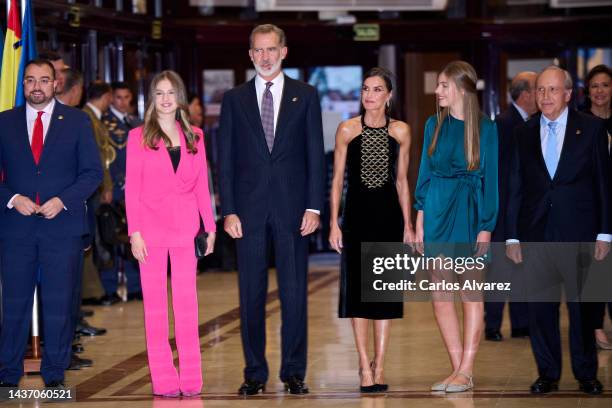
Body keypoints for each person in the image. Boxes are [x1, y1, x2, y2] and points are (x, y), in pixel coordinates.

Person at [218, 24, 325, 395]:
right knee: (250, 294)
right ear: (250, 55)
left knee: (295, 293)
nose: (264, 57)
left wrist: (315, 206)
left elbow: (315, 155)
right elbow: (225, 160)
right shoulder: (233, 99)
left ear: (284, 51)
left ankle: (294, 371)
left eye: (271, 49)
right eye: (258, 51)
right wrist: (228, 210)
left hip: (294, 211)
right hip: (246, 214)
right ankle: (254, 373)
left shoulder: (306, 95)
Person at [505, 66, 611, 395]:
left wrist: (605, 233)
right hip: (536, 234)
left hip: (580, 232)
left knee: (581, 309)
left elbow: (604, 185)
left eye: (552, 90)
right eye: (540, 90)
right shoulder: (524, 132)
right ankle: (547, 374)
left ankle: (586, 374)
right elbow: (516, 186)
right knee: (540, 309)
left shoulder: (591, 130)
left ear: (567, 94)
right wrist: (512, 235)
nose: (545, 96)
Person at [0, 59, 103, 388]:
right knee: (14, 302)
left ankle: (55, 373)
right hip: (17, 227)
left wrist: (63, 200)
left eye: (44, 80)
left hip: (63, 226)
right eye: (30, 80)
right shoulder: (4, 122)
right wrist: (14, 198)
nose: (37, 87)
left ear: (55, 84)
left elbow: (92, 173)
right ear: (23, 84)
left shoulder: (76, 122)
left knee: (59, 303)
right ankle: (7, 372)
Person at [125, 70, 216, 397]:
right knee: (155, 309)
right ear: (152, 98)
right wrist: (134, 232)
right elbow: (131, 190)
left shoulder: (196, 135)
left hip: (185, 230)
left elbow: (203, 188)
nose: (165, 99)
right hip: (149, 232)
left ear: (179, 99)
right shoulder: (138, 137)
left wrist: (211, 227)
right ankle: (163, 378)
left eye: (171, 93)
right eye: (159, 93)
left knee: (187, 305)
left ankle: (191, 377)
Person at [414, 60, 499, 393]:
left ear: (461, 88)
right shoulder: (433, 124)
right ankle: (456, 370)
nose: (437, 91)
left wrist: (486, 226)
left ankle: (467, 369)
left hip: (470, 212)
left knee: (470, 293)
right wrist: (420, 216)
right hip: (436, 211)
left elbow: (490, 181)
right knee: (440, 296)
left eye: (443, 85)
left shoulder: (486, 128)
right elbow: (424, 171)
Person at [329, 67, 413, 392]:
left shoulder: (401, 132)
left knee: (384, 294)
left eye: (377, 89)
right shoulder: (347, 130)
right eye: (366, 88)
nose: (369, 95)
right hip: (356, 218)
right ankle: (364, 365)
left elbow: (403, 181)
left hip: (389, 218)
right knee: (358, 295)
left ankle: (381, 363)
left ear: (389, 95)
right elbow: (337, 180)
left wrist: (407, 224)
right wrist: (334, 223)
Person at [484, 71, 537, 342]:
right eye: (537, 90)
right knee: (499, 271)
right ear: (525, 94)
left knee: (520, 267)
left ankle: (521, 323)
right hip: (503, 209)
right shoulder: (503, 123)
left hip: (524, 210)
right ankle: (492, 324)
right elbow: (493, 171)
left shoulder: (533, 121)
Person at [101, 82, 142, 301]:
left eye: (127, 97)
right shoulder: (104, 123)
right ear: (111, 99)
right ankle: (110, 287)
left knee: (134, 237)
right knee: (111, 237)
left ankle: (135, 286)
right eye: (118, 98)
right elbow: (108, 158)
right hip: (117, 188)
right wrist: (118, 183)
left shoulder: (136, 121)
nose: (123, 102)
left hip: (136, 188)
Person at [583, 64, 612, 350]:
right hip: (592, 205)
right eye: (595, 86)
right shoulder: (581, 123)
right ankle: (595, 326)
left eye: (605, 85)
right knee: (597, 269)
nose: (600, 91)